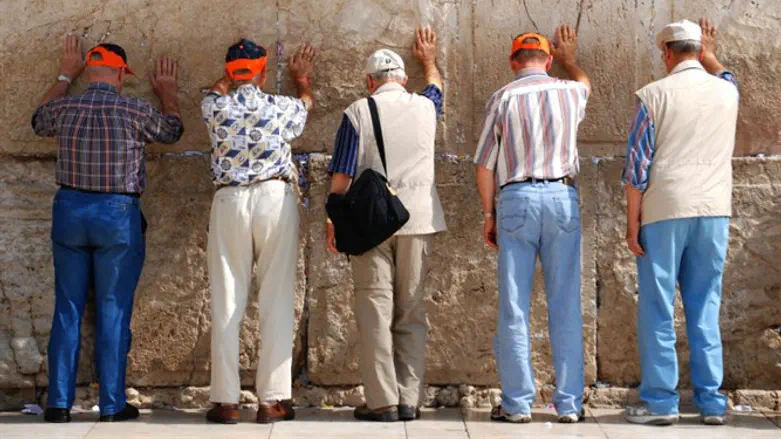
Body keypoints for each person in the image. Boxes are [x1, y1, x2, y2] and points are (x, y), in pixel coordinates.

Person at [32, 36, 183, 423]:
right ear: (119, 73)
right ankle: (112, 404)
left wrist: (66, 73)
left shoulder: (65, 107)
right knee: (113, 308)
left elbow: (38, 119)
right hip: (116, 213)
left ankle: (59, 403)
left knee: (67, 307)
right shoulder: (134, 110)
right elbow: (172, 131)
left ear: (88, 70)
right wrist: (167, 93)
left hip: (69, 209)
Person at [326, 25, 447, 422]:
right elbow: (436, 87)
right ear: (403, 79)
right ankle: (411, 398)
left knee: (375, 311)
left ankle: (383, 402)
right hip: (418, 220)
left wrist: (333, 220)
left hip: (371, 225)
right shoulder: (427, 105)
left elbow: (341, 177)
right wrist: (429, 60)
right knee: (411, 312)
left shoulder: (358, 112)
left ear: (369, 82)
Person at [622, 18, 738, 426]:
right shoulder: (727, 91)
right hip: (714, 209)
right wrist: (710, 50)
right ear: (699, 49)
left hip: (664, 209)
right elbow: (724, 73)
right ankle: (711, 402)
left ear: (666, 53)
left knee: (657, 307)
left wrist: (632, 221)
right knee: (705, 304)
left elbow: (637, 165)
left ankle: (661, 402)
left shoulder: (653, 96)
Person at [474, 25, 591, 424]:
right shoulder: (571, 92)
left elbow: (483, 165)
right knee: (565, 304)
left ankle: (518, 403)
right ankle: (569, 404)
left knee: (514, 305)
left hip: (517, 199)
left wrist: (489, 215)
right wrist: (572, 60)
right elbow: (585, 82)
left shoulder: (503, 97)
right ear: (549, 59)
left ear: (512, 62)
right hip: (561, 198)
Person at [201, 39, 316, 425]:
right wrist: (302, 81)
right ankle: (271, 401)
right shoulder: (281, 107)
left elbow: (216, 92)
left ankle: (226, 401)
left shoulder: (215, 105)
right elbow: (305, 108)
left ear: (230, 73)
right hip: (273, 197)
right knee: (277, 298)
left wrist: (226, 80)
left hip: (230, 201)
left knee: (227, 300)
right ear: (264, 72)